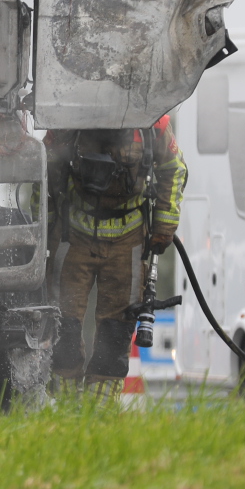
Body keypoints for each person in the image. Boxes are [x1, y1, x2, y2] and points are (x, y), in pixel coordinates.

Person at [44, 118, 187, 392]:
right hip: (73, 237)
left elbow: (174, 167)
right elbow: (43, 170)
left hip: (127, 243)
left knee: (116, 330)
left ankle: (101, 405)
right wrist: (46, 226)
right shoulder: (70, 119)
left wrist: (164, 226)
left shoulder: (152, 123)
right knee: (64, 323)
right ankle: (63, 402)